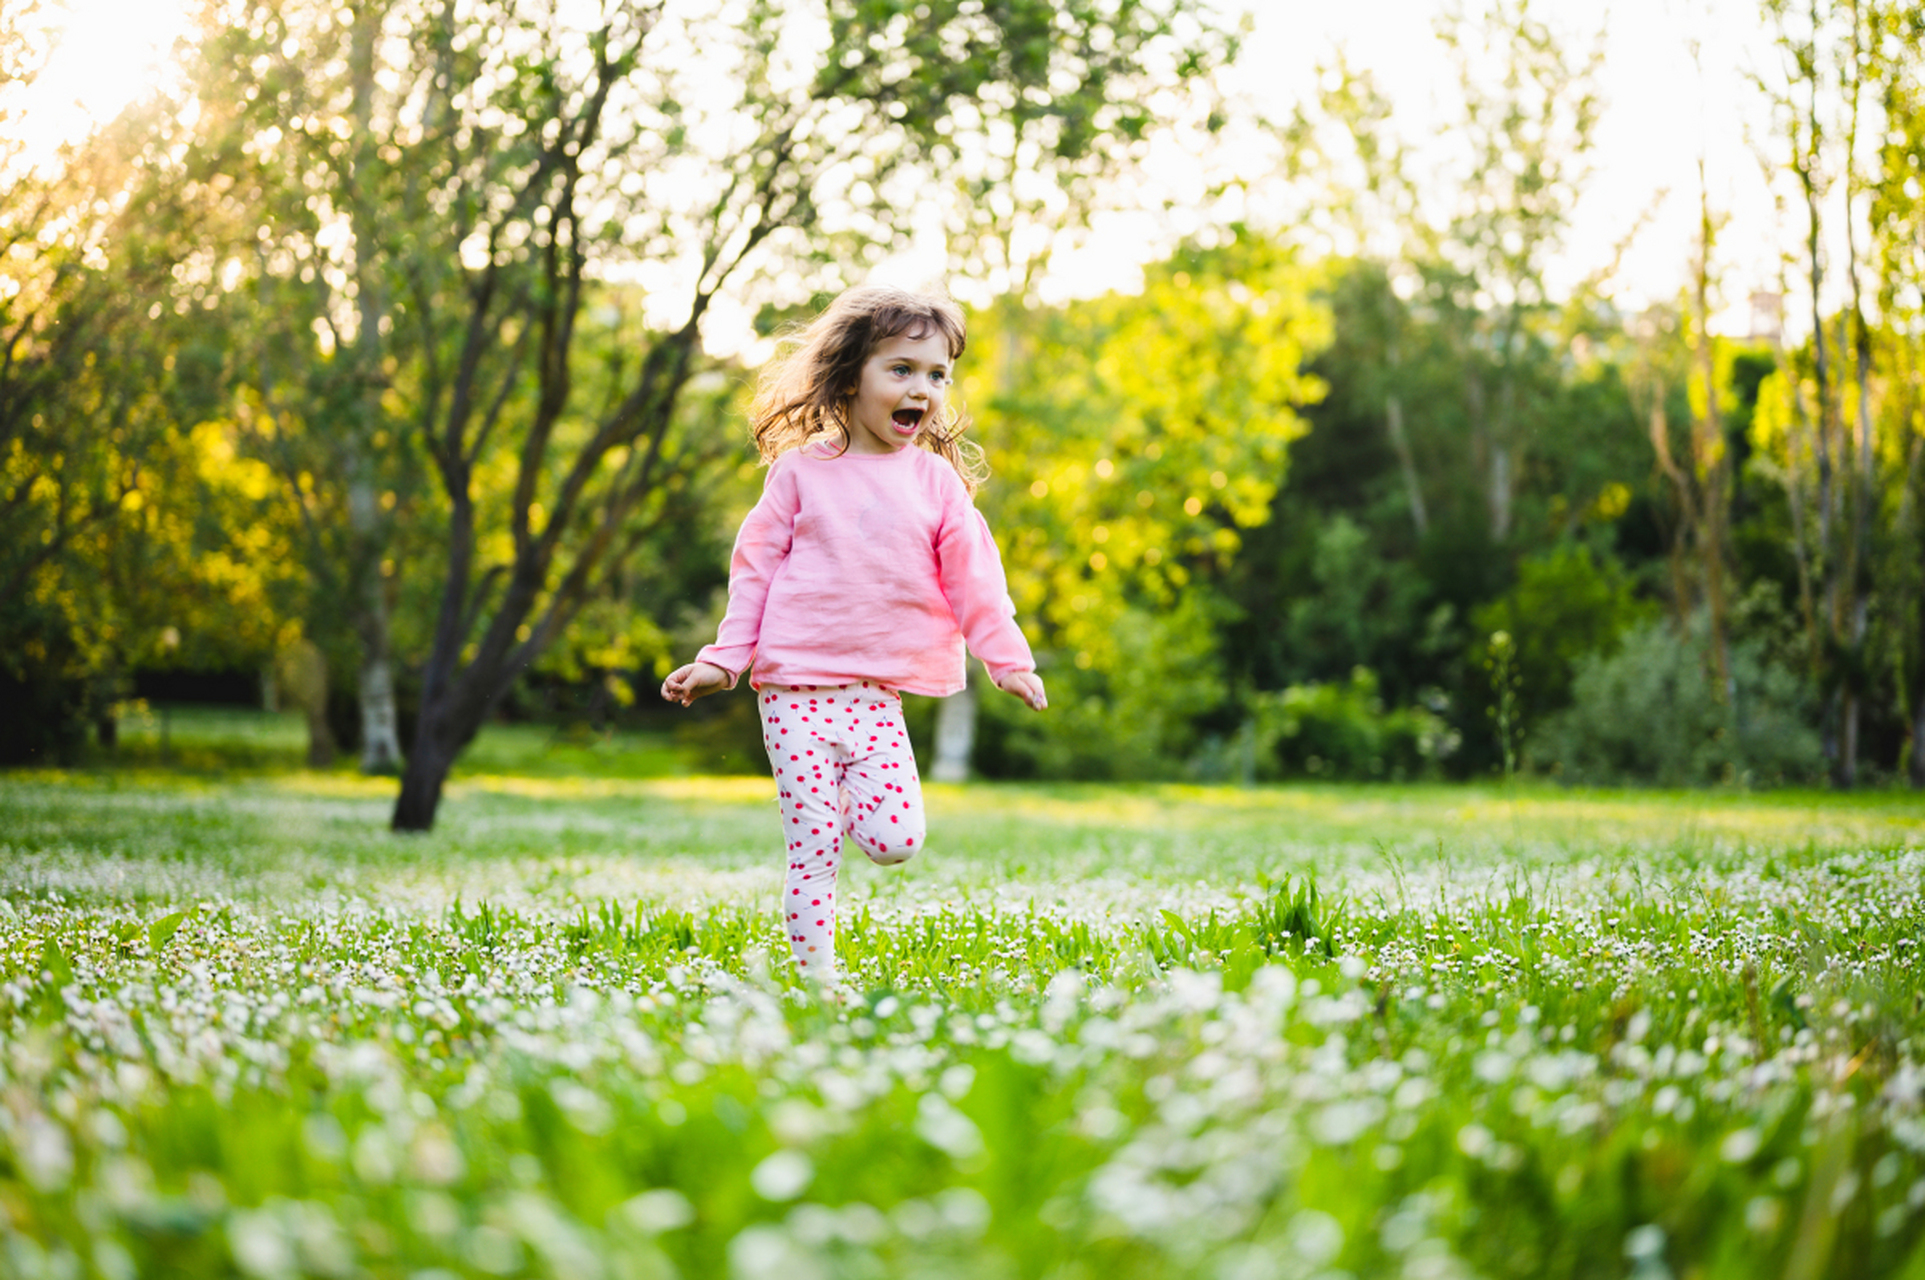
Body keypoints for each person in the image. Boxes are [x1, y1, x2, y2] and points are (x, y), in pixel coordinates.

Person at [660, 284, 1047, 983]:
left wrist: (1006, 660)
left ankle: (832, 805)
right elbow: (753, 575)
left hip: (876, 697)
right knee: (813, 855)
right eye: (900, 369)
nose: (922, 389)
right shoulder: (800, 474)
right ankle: (819, 983)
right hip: (793, 693)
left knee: (896, 841)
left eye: (936, 376)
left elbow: (976, 582)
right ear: (848, 378)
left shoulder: (935, 484)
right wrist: (723, 661)